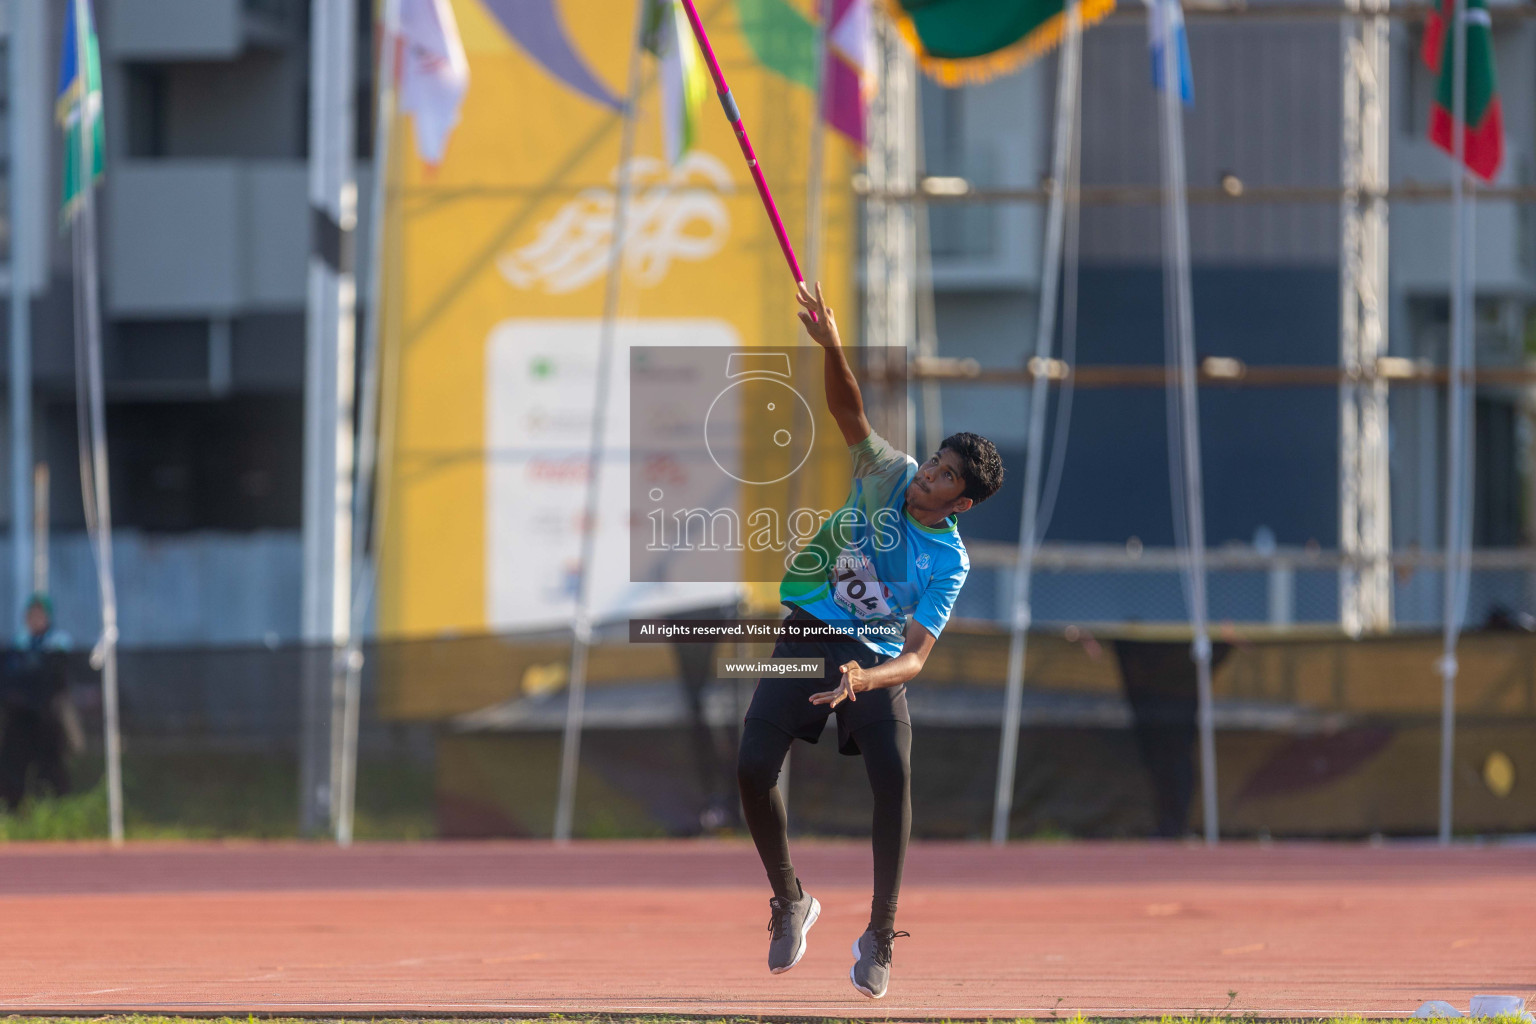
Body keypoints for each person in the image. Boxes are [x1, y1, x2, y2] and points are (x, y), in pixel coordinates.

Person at [736, 282, 1004, 999]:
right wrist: (831, 346)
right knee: (752, 763)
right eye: (936, 462)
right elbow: (848, 408)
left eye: (945, 477)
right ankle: (791, 899)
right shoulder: (892, 474)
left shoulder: (950, 561)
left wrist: (865, 679)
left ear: (962, 503)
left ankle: (880, 934)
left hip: (876, 656)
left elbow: (915, 655)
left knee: (892, 770)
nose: (929, 477)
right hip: (814, 625)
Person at [0, 594, 75, 811]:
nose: (36, 619)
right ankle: (12, 811)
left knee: (50, 768)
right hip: (20, 718)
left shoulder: (58, 645)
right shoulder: (18, 646)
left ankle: (56, 811)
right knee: (12, 766)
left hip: (47, 719)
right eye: (32, 614)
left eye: (40, 614)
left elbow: (57, 681)